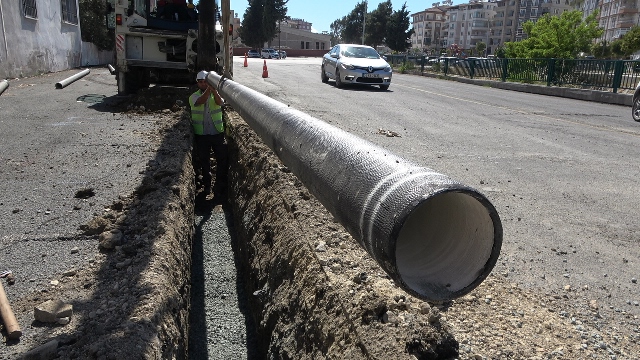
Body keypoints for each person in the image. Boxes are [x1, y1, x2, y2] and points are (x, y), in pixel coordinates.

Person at [189, 71, 228, 200]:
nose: (203, 84)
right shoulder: (193, 97)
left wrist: (214, 91)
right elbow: (201, 101)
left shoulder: (215, 95)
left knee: (222, 160)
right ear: (197, 83)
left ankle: (219, 187)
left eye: (205, 82)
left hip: (217, 133)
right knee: (204, 162)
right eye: (201, 82)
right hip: (202, 135)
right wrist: (209, 90)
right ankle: (207, 186)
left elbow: (220, 102)